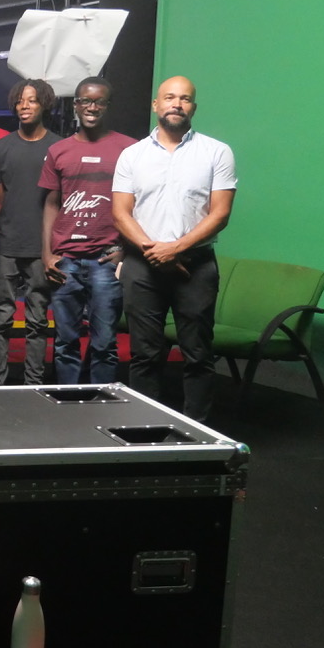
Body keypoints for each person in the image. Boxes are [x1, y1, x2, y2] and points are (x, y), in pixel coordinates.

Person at [113, 76, 236, 422]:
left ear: (193, 107)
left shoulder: (217, 152)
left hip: (195, 266)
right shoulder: (132, 155)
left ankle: (197, 431)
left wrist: (175, 249)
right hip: (142, 266)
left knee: (198, 354)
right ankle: (143, 429)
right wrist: (154, 252)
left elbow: (220, 214)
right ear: (156, 104)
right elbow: (121, 213)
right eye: (169, 97)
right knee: (145, 354)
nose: (176, 104)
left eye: (184, 99)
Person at [40, 76, 136, 385]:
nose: (91, 107)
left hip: (106, 259)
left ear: (108, 105)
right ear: (76, 105)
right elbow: (51, 204)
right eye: (85, 101)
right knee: (65, 342)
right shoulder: (59, 150)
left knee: (104, 344)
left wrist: (125, 250)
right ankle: (68, 400)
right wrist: (47, 255)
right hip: (66, 260)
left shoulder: (129, 149)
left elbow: (139, 204)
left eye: (99, 102)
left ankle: (100, 400)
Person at [0, 79, 61, 385]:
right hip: (5, 245)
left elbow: (61, 202)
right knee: (0, 319)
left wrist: (53, 248)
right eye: (20, 101)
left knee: (37, 321)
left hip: (42, 248)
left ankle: (34, 385)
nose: (24, 106)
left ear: (44, 104)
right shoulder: (0, 148)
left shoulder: (58, 147)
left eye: (31, 100)